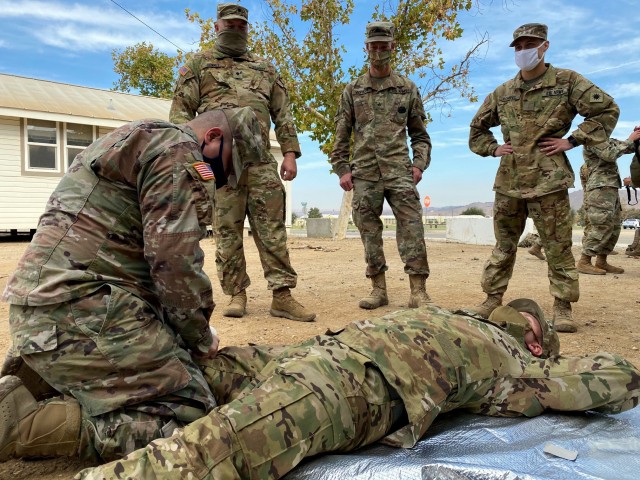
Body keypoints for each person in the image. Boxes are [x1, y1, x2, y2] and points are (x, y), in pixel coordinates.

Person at [60, 298, 640, 479]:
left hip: (348, 378)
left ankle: (47, 424)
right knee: (189, 396)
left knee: (208, 446)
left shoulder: (515, 363)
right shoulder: (483, 336)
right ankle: (44, 399)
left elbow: (615, 379)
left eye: (529, 324)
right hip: (330, 365)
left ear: (537, 342)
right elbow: (611, 377)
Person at [0, 107, 261, 462]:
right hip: (81, 313)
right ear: (213, 137)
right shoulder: (179, 150)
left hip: (45, 314)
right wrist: (200, 337)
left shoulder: (135, 137)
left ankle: (39, 381)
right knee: (189, 413)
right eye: (228, 167)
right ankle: (20, 424)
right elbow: (174, 262)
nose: (224, 180)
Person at [468, 23, 620, 333]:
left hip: (549, 180)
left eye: (530, 43)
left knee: (557, 245)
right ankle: (492, 298)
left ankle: (562, 306)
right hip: (509, 182)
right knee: (504, 246)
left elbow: (607, 110)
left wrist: (573, 140)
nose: (524, 50)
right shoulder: (503, 92)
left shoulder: (567, 82)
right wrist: (494, 149)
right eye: (519, 45)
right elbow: (476, 130)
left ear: (545, 46)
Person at [170, 2, 315, 322]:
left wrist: (289, 153)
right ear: (217, 27)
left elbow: (283, 114)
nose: (235, 29)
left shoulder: (265, 69)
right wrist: (196, 164)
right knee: (227, 230)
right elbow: (181, 118)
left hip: (260, 160)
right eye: (229, 25)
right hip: (220, 164)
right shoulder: (198, 66)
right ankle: (236, 293)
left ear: (247, 29)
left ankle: (282, 295)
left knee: (272, 229)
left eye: (241, 25)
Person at [331, 22, 432, 310]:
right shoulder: (353, 90)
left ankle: (418, 291)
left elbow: (420, 135)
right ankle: (378, 289)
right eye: (373, 46)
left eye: (383, 46)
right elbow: (340, 135)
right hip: (364, 174)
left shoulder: (407, 89)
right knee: (368, 231)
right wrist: (342, 169)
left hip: (399, 171)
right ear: (366, 49)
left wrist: (419, 165)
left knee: (412, 227)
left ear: (392, 47)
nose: (378, 52)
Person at [577, 128, 640, 274]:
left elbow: (628, 147)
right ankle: (584, 261)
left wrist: (635, 138)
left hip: (611, 187)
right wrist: (630, 139)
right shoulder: (592, 138)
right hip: (600, 188)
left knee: (614, 226)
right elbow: (610, 154)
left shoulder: (609, 141)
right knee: (601, 225)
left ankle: (602, 260)